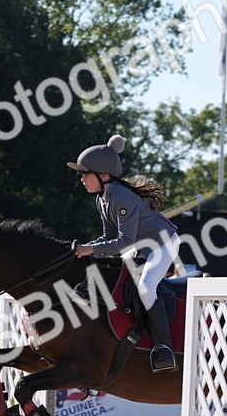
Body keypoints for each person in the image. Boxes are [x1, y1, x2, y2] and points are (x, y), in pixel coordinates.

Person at [69, 134, 180, 373]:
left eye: (85, 174)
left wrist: (91, 249)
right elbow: (108, 238)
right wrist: (84, 249)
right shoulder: (103, 199)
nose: (81, 179)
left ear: (103, 175)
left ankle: (165, 350)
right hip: (141, 247)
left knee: (146, 287)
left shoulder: (120, 196)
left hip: (163, 244)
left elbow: (123, 242)